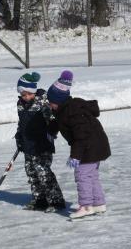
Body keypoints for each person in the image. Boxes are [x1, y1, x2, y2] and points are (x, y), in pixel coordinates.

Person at [47, 70, 111, 219]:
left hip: (89, 146)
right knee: (91, 175)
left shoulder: (73, 112)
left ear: (59, 100)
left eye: (51, 102)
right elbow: (58, 121)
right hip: (95, 145)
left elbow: (81, 137)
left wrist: (75, 156)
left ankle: (86, 206)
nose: (50, 105)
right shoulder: (64, 109)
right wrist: (51, 131)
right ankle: (98, 203)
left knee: (82, 175)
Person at [15, 72, 66, 213]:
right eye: (23, 95)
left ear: (34, 91)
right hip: (28, 144)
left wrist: (51, 133)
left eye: (29, 94)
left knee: (43, 172)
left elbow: (52, 121)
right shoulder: (20, 104)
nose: (26, 97)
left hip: (42, 144)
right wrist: (19, 136)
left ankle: (56, 201)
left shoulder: (43, 102)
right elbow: (22, 123)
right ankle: (40, 200)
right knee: (31, 173)